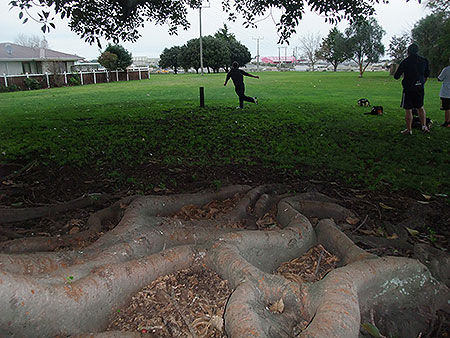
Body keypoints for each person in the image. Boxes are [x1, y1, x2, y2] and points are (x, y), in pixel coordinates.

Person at [394, 43, 430, 135]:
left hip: (408, 88)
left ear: (408, 52)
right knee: (420, 107)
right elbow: (426, 75)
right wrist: (421, 84)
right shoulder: (424, 61)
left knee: (408, 109)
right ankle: (424, 126)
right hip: (420, 88)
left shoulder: (405, 62)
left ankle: (409, 129)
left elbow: (396, 76)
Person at [438, 56, 450, 127]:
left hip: (446, 92)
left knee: (447, 108)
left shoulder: (446, 69)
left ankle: (447, 122)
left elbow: (440, 78)